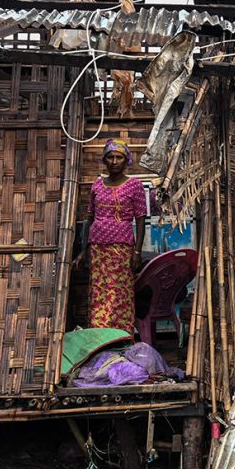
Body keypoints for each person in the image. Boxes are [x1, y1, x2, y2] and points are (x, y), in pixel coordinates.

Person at [80, 139, 148, 334]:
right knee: (99, 291)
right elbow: (90, 218)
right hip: (98, 247)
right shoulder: (97, 185)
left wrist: (137, 251)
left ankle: (121, 334)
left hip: (122, 247)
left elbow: (140, 220)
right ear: (105, 160)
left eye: (119, 157)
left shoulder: (134, 185)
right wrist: (84, 251)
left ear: (126, 160)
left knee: (120, 291)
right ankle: (99, 334)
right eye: (111, 157)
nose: (115, 161)